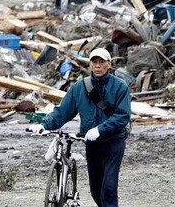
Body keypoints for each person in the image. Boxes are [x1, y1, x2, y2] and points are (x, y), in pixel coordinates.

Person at [30, 48, 131, 207]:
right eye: (94, 62)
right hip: (91, 143)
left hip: (113, 142)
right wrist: (44, 125)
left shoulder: (120, 87)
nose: (98, 66)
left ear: (109, 64)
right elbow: (63, 111)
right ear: (90, 64)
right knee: (96, 190)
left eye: (102, 62)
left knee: (109, 188)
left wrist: (100, 129)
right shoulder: (79, 88)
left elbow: (123, 116)